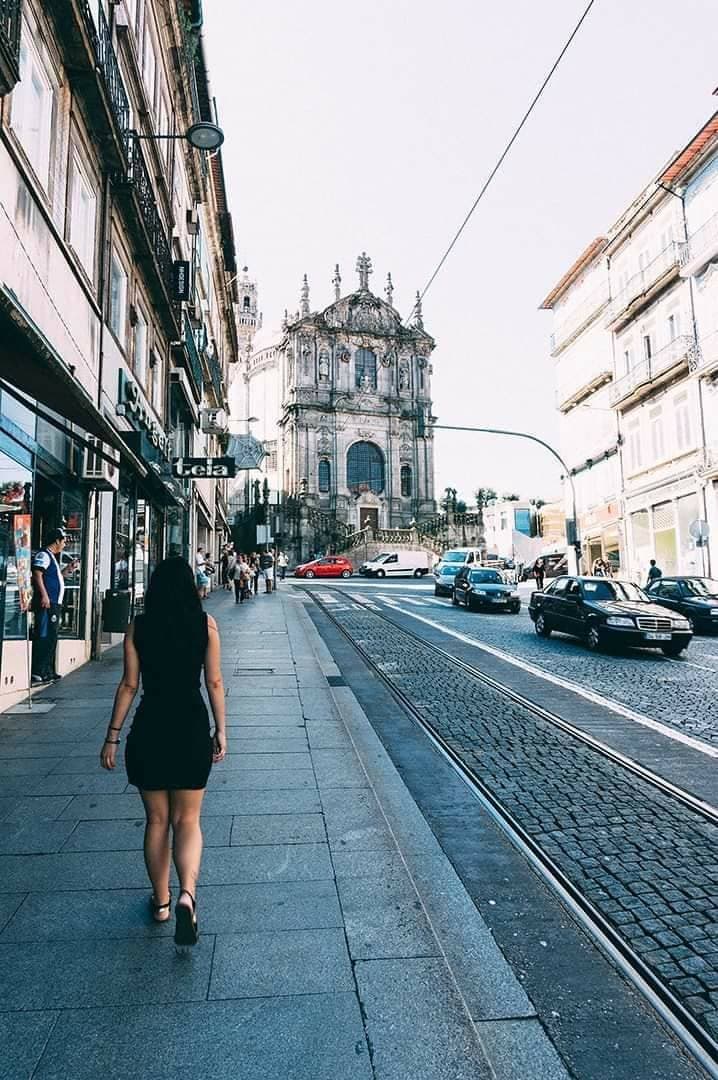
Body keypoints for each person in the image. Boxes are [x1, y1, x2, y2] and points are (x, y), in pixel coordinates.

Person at [100, 557, 226, 950]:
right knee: (188, 820)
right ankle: (188, 893)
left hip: (150, 729)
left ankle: (161, 903)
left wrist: (112, 737)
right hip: (190, 727)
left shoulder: (138, 627)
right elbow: (215, 681)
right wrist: (221, 730)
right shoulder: (206, 626)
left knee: (157, 821)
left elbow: (128, 685)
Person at [31, 528, 79, 685]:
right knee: (44, 635)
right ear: (57, 540)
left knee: (52, 636)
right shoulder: (44, 555)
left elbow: (57, 578)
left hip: (54, 603)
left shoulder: (52, 558)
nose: (64, 544)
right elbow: (37, 574)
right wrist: (44, 595)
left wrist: (69, 569)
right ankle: (39, 671)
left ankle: (47, 670)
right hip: (48, 603)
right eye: (64, 540)